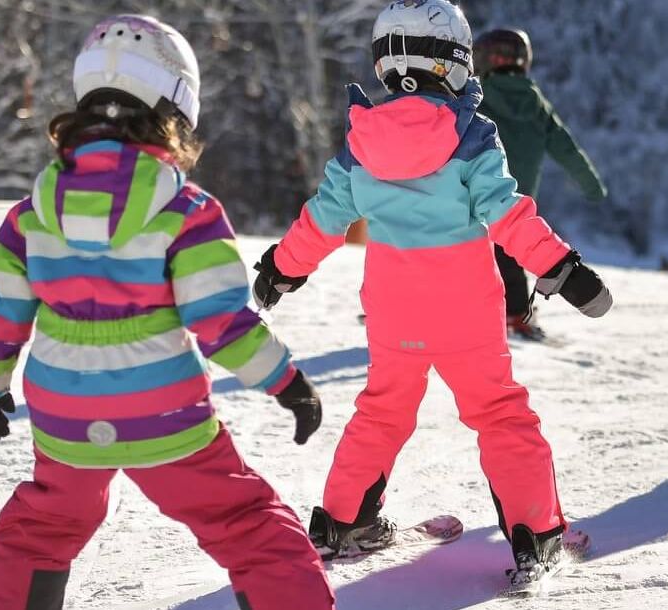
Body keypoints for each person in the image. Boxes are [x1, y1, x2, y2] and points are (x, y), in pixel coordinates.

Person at [0, 15, 334, 610]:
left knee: (42, 529)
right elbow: (222, 319)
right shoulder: (185, 208)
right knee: (246, 521)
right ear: (176, 107)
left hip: (64, 414)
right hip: (164, 411)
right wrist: (286, 382)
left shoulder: (32, 212)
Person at [250, 0, 613, 588]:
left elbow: (322, 220)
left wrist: (280, 269)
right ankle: (534, 535)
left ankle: (343, 523)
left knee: (382, 410)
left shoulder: (361, 139)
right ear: (452, 64)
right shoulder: (469, 135)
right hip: (465, 311)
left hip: (393, 314)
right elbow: (509, 215)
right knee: (498, 413)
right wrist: (564, 270)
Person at [474, 28, 609, 341]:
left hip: (476, 194)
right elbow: (567, 149)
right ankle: (518, 315)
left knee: (458, 251)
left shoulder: (476, 96)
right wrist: (591, 185)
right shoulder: (537, 106)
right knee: (511, 255)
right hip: (517, 202)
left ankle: (420, 309)